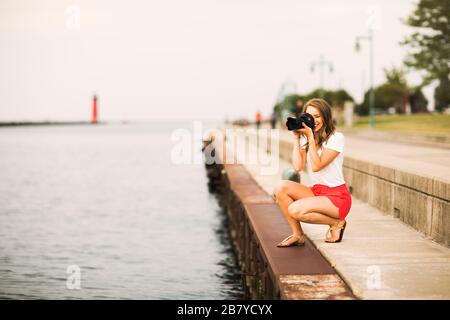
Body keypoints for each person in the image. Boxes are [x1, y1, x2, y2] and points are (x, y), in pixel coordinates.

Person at [274, 98, 352, 247]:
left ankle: (336, 223)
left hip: (337, 198)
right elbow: (297, 166)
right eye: (310, 117)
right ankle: (298, 235)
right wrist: (297, 139)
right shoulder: (307, 138)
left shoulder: (336, 138)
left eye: (318, 116)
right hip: (317, 192)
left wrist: (310, 137)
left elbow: (317, 166)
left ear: (326, 116)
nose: (314, 121)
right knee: (280, 188)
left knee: (295, 210)